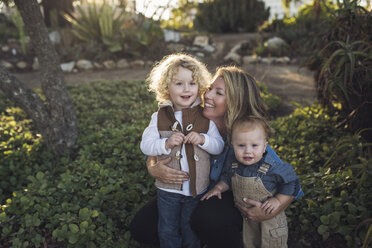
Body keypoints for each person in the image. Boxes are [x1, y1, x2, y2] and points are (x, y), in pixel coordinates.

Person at [130, 66, 303, 247]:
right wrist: (152, 167)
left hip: (224, 196)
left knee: (208, 219)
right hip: (183, 190)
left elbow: (292, 184)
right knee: (142, 228)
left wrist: (273, 209)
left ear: (235, 101)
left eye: (218, 93)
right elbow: (158, 147)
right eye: (209, 88)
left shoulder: (245, 139)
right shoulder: (191, 118)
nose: (208, 95)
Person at [140, 53, 224, 248]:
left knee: (190, 228)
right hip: (167, 190)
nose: (187, 89)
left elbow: (219, 146)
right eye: (179, 84)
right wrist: (165, 144)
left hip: (197, 189)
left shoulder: (205, 118)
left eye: (192, 83)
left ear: (200, 86)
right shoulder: (159, 117)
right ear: (166, 87)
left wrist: (203, 139)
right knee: (167, 228)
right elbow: (145, 145)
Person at [202, 115, 299, 247]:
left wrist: (278, 200)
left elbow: (292, 183)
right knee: (249, 243)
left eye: (254, 145)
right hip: (248, 221)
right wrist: (219, 187)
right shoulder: (234, 164)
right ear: (233, 145)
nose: (248, 151)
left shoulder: (272, 167)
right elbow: (228, 178)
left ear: (264, 146)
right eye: (241, 145)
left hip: (271, 222)